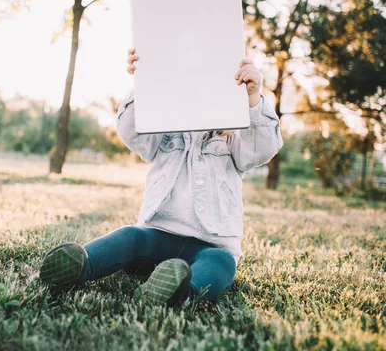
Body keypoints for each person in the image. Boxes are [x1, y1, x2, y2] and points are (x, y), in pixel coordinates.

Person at [39, 48, 283, 306]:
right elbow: (131, 131)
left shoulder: (234, 138)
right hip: (156, 236)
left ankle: (180, 293)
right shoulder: (163, 127)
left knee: (222, 262)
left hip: (210, 245)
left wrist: (253, 100)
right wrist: (143, 86)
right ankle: (82, 265)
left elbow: (265, 146)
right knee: (129, 236)